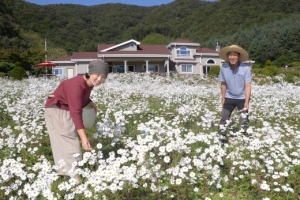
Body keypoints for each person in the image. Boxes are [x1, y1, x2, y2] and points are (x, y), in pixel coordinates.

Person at [44, 59, 109, 179]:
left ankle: (67, 175)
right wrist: (84, 138)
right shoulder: (76, 84)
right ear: (90, 72)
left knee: (66, 142)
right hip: (57, 110)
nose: (99, 79)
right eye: (97, 74)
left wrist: (90, 101)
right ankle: (74, 178)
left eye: (103, 76)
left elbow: (80, 96)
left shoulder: (87, 82)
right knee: (70, 142)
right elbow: (76, 112)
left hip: (64, 109)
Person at [218, 45, 252, 144]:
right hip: (229, 97)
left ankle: (246, 140)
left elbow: (248, 85)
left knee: (244, 120)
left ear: (238, 56)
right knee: (224, 119)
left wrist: (247, 101)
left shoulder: (245, 68)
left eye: (235, 55)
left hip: (242, 98)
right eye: (230, 55)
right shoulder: (224, 68)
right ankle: (222, 140)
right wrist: (223, 98)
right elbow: (223, 84)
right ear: (228, 57)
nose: (232, 57)